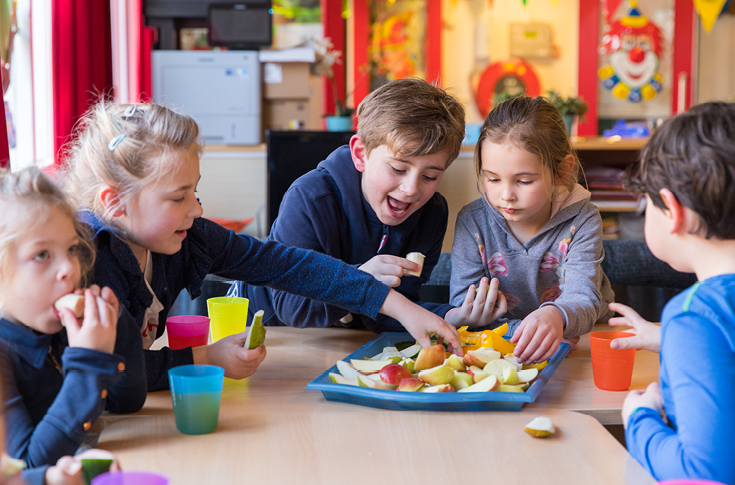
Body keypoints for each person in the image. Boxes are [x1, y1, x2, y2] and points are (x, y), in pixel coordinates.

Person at [62, 102, 462, 392]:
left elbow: (285, 265)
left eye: (195, 192)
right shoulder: (90, 265)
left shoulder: (188, 235)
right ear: (114, 202)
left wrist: (401, 308)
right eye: (178, 197)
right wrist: (205, 358)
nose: (197, 208)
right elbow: (118, 380)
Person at [230, 78, 503, 331]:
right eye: (397, 169)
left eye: (430, 176)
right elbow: (293, 310)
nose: (410, 189)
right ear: (361, 154)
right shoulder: (310, 198)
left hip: (342, 341)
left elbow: (394, 310)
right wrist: (358, 283)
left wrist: (449, 316)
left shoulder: (431, 213)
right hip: (265, 330)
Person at [617, 102, 735, 484]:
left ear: (672, 209)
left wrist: (640, 420)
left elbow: (705, 472)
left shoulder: (694, 316)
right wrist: (667, 338)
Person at [0, 167, 145, 477]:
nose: (69, 267)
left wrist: (117, 329)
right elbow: (26, 466)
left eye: (71, 249)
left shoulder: (57, 329)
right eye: (42, 255)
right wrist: (89, 363)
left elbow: (127, 402)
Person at [449, 96, 614, 364]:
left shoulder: (583, 219)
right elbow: (463, 307)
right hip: (506, 349)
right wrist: (530, 332)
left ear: (561, 171)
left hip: (580, 346)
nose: (506, 195)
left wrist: (557, 317)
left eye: (524, 181)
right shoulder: (473, 221)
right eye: (492, 179)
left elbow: (584, 300)